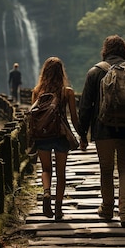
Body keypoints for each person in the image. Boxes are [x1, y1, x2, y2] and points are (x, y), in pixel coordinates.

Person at [77, 35, 125, 228]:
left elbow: (85, 107)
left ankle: (106, 209)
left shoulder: (95, 72)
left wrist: (82, 134)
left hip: (103, 131)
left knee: (106, 170)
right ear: (124, 51)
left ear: (105, 50)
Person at [31, 57, 81, 221]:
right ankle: (58, 208)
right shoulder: (67, 92)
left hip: (42, 135)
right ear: (61, 73)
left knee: (46, 169)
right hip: (60, 135)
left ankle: (46, 193)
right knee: (61, 173)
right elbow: (74, 118)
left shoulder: (37, 91)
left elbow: (34, 117)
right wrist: (82, 135)